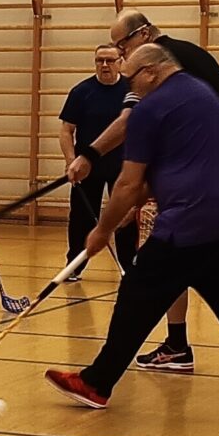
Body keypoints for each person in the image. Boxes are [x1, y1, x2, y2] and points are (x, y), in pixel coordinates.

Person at [66, 9, 219, 373]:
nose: (120, 55)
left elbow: (129, 122)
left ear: (144, 34)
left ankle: (176, 344)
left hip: (204, 163)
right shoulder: (195, 52)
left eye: (122, 44)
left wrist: (89, 155)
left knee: (172, 241)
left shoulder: (155, 67)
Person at [46, 44, 219, 419]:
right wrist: (133, 206)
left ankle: (96, 384)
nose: (130, 89)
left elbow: (127, 183)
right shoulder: (203, 93)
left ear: (152, 72)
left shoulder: (149, 110)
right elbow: (180, 165)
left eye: (132, 79)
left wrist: (102, 230)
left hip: (188, 224)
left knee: (135, 296)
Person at [58, 44, 137, 272]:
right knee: (81, 218)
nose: (104, 65)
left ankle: (128, 267)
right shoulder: (81, 91)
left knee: (125, 216)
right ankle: (74, 266)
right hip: (88, 167)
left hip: (123, 166)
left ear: (120, 62)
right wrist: (71, 161)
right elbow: (66, 131)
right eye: (99, 60)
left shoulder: (131, 90)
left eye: (110, 60)